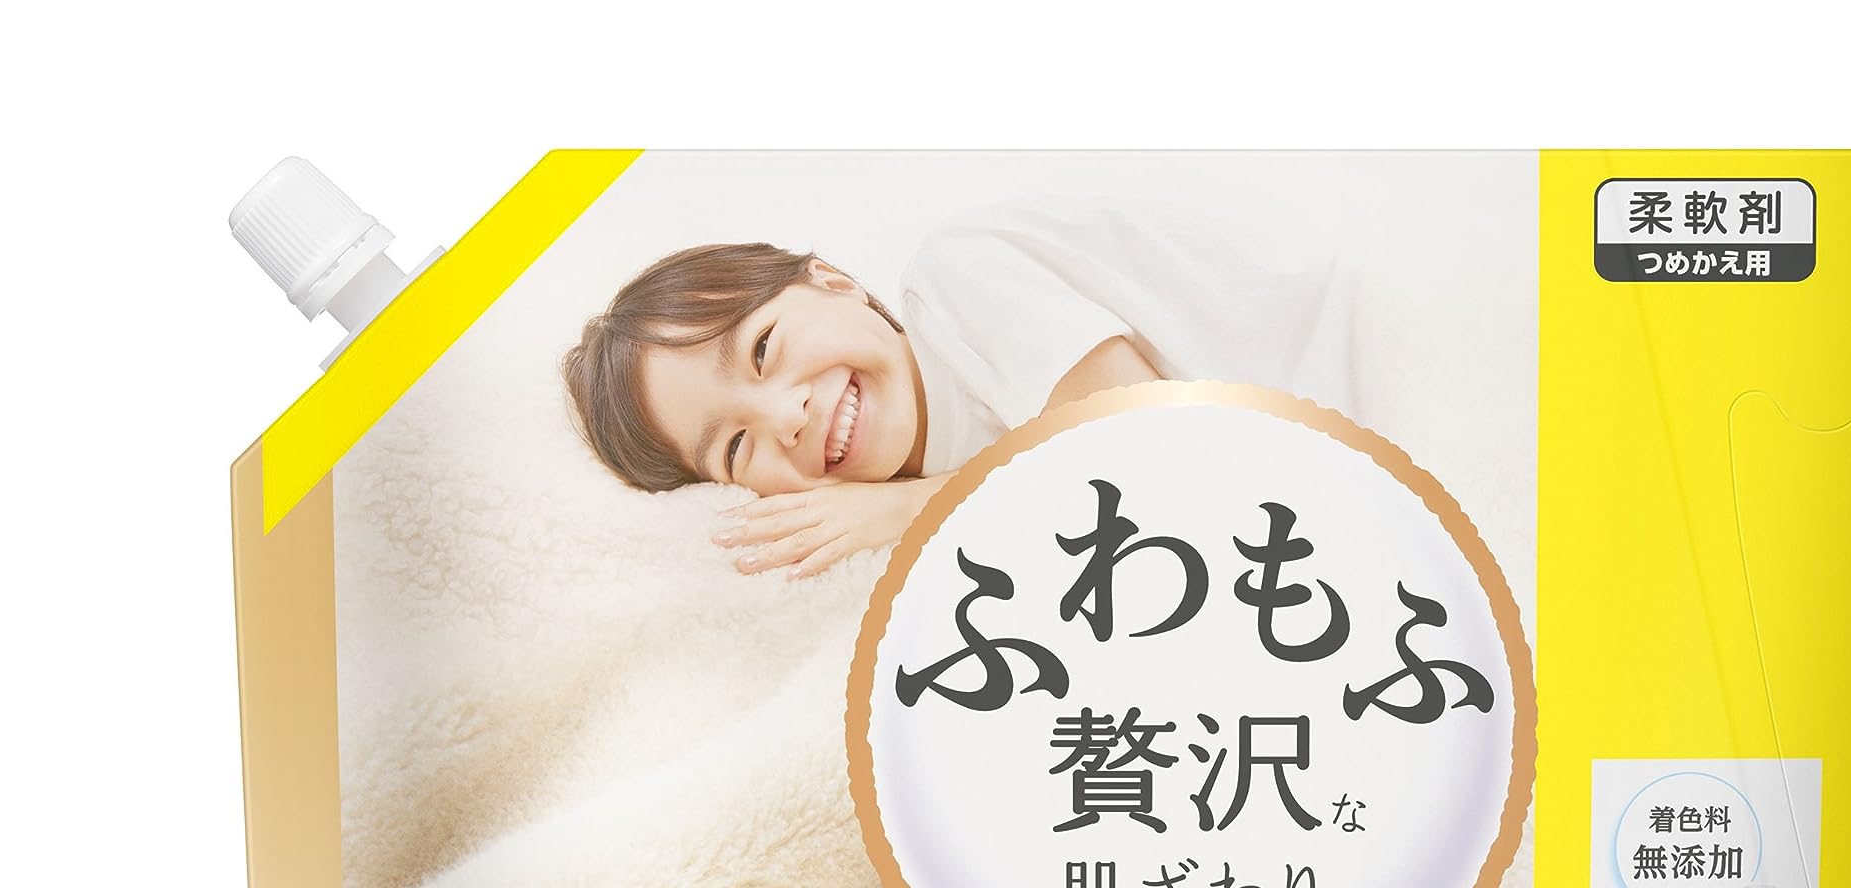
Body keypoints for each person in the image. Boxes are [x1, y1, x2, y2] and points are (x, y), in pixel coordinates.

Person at [564, 204, 1356, 579]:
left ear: (832, 280)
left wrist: (905, 508)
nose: (785, 416)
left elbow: (1152, 450)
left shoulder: (955, 279)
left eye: (764, 348)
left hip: (1372, 334)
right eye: (737, 448)